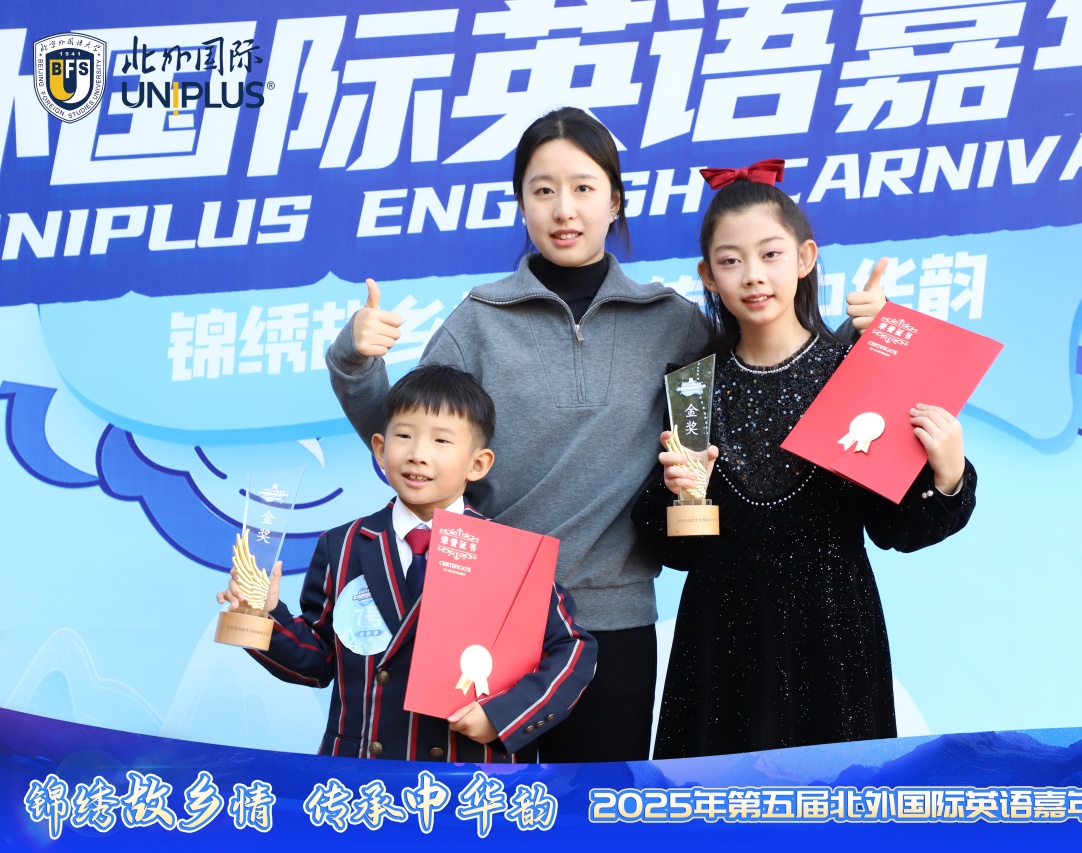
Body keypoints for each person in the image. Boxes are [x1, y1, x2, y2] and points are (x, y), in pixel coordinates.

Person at [327, 109, 887, 762]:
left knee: (600, 809)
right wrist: (356, 362)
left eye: (584, 188)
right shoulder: (477, 321)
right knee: (478, 809)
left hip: (615, 618)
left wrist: (860, 345)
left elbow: (765, 366)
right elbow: (410, 449)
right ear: (521, 204)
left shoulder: (670, 321)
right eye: (543, 190)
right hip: (487, 611)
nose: (564, 209)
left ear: (615, 200)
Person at [631, 162, 977, 759]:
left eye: (770, 254)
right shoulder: (691, 388)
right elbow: (681, 554)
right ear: (707, 275)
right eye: (731, 260)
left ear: (805, 258)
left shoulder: (856, 370)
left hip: (834, 638)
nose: (753, 275)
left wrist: (947, 472)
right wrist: (684, 494)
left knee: (836, 802)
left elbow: (895, 529)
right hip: (719, 645)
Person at [217, 365, 596, 762]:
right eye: (404, 436)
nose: (417, 454)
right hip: (361, 771)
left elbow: (572, 649)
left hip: (465, 773)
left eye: (441, 441)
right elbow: (317, 662)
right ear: (380, 449)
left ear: (478, 464)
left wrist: (503, 717)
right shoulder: (342, 545)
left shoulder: (509, 554)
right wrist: (261, 615)